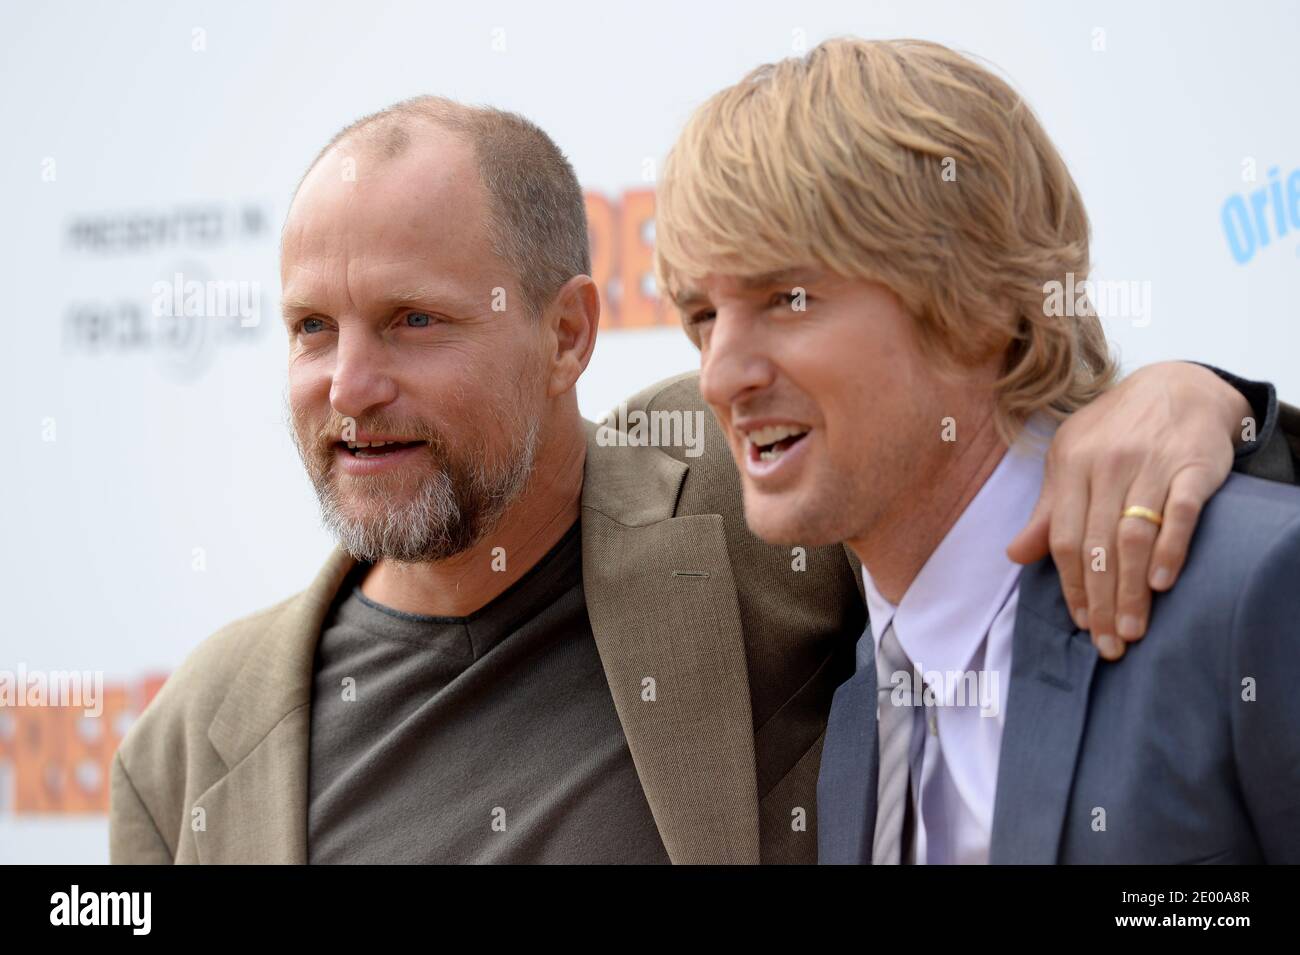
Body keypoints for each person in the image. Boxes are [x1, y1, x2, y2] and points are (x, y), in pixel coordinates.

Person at [111, 91, 1297, 864]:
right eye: (311, 329)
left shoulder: (739, 487)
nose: (351, 385)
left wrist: (1202, 394)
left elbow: (964, 426)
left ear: (568, 334)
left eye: (414, 320)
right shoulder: (189, 750)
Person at [652, 36, 1300, 864]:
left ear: (980, 303)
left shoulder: (1252, 589)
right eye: (703, 317)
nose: (718, 375)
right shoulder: (856, 718)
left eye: (788, 297)